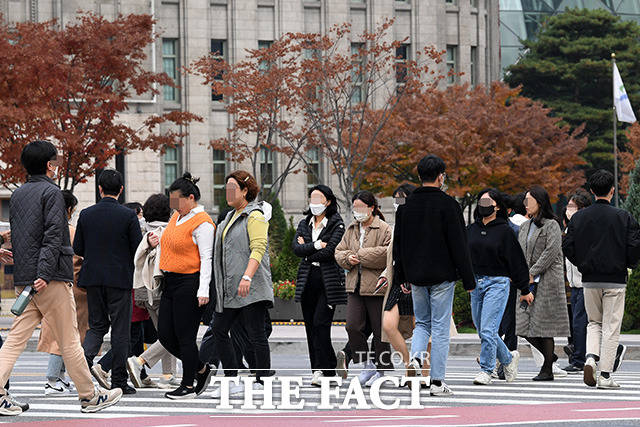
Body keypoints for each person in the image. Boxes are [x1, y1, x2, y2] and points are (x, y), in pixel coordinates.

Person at [0, 140, 122, 415]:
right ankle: (90, 397)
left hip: (26, 279)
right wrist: (44, 273)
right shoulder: (52, 193)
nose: (56, 166)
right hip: (51, 278)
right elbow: (53, 235)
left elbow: (23, 235)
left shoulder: (18, 195)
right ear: (48, 165)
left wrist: (29, 271)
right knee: (69, 339)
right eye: (54, 162)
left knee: (15, 339)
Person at [394, 154, 476, 396]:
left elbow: (399, 246)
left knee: (422, 324)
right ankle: (437, 381)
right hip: (442, 275)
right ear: (441, 177)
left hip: (416, 276)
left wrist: (402, 277)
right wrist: (469, 279)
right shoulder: (450, 206)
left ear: (419, 177)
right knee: (440, 327)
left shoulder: (405, 209)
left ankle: (417, 358)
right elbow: (459, 245)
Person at [563, 170, 640, 389]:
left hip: (589, 279)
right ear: (612, 190)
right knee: (611, 326)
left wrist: (583, 264)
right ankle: (605, 374)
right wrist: (627, 263)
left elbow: (567, 246)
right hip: (615, 278)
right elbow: (635, 245)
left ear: (591, 191)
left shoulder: (579, 218)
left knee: (593, 322)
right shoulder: (623, 217)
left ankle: (589, 358)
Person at [75, 169, 143, 395]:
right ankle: (119, 381)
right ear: (121, 190)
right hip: (120, 279)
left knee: (97, 326)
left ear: (100, 189)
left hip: (92, 278)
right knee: (120, 330)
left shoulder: (86, 214)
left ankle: (81, 369)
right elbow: (138, 248)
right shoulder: (128, 216)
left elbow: (78, 249)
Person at [208, 171, 274, 398]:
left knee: (256, 334)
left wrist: (247, 276)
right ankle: (231, 379)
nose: (227, 192)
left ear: (245, 191)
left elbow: (258, 247)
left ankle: (263, 380)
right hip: (229, 288)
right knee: (218, 329)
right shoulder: (228, 217)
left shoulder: (254, 216)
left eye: (232, 188)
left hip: (250, 287)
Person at [156, 173, 214, 399]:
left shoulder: (203, 223)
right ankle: (201, 368)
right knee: (165, 335)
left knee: (185, 336)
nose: (174, 206)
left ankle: (188, 385)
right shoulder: (176, 216)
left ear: (190, 198)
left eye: (177, 201)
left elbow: (206, 258)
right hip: (170, 282)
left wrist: (203, 290)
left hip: (190, 283)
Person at [467, 189, 532, 385]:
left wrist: (525, 289)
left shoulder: (505, 231)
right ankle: (508, 359)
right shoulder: (471, 230)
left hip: (498, 283)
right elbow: (463, 258)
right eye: (482, 201)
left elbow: (517, 261)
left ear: (497, 206)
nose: (484, 204)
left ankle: (487, 370)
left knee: (488, 329)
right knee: (483, 330)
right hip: (476, 284)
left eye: (489, 201)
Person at [335, 191, 393, 386]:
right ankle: (367, 363)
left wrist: (360, 254)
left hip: (377, 286)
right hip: (355, 285)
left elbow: (387, 253)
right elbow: (339, 252)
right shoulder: (351, 229)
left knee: (380, 331)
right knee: (352, 326)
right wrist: (347, 259)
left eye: (361, 207)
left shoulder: (384, 228)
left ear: (372, 208)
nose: (357, 212)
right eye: (355, 208)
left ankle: (383, 371)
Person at [292, 185, 347, 386]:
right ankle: (317, 370)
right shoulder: (304, 223)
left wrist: (307, 251)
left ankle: (329, 369)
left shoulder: (336, 224)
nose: (314, 203)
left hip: (328, 281)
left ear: (328, 201)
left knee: (321, 324)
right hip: (308, 279)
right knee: (310, 326)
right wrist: (315, 245)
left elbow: (331, 251)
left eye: (319, 198)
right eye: (312, 198)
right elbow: (296, 249)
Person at [516, 186, 571, 381]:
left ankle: (547, 369)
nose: (525, 204)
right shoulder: (525, 226)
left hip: (547, 281)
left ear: (540, 202)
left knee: (544, 326)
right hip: (528, 282)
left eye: (529, 200)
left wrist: (532, 272)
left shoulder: (551, 225)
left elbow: (551, 251)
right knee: (522, 325)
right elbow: (520, 253)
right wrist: (523, 275)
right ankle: (550, 357)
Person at [38, 190, 89, 395]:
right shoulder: (70, 231)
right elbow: (79, 259)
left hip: (48, 285)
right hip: (72, 287)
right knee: (66, 336)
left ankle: (59, 376)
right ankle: (52, 379)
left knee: (58, 334)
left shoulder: (44, 228)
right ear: (68, 209)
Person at [127, 194, 179, 389]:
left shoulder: (140, 229)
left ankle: (168, 375)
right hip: (163, 289)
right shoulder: (169, 231)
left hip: (144, 290)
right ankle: (140, 360)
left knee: (164, 332)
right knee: (170, 334)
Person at [380, 184, 416, 378]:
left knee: (422, 329)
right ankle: (409, 363)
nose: (398, 204)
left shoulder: (421, 224)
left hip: (417, 282)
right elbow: (394, 257)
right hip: (397, 282)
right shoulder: (397, 226)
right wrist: (385, 274)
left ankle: (425, 373)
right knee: (388, 325)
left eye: (401, 199)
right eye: (396, 200)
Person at [561, 189, 592, 373]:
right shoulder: (569, 227)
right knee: (575, 322)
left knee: (580, 322)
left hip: (583, 282)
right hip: (573, 283)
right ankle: (578, 354)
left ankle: (580, 358)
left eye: (571, 206)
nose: (567, 209)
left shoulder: (585, 227)